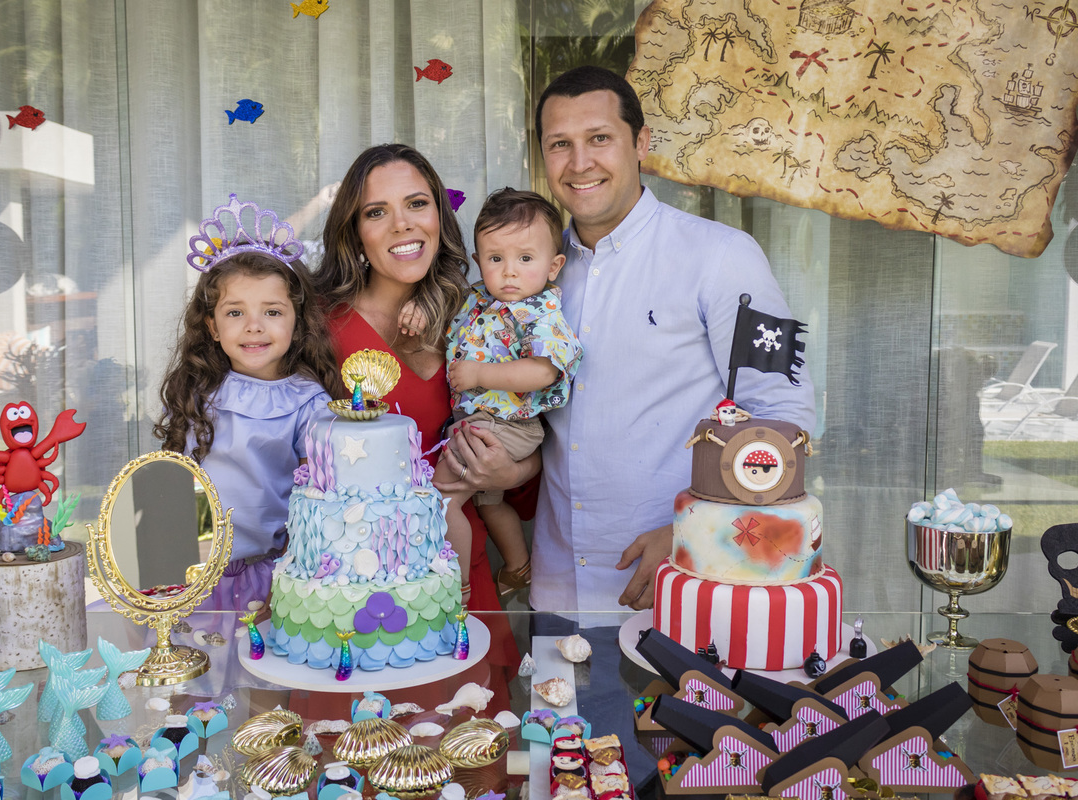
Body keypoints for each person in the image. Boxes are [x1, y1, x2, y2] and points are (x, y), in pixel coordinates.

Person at [530, 65, 817, 614]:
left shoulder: (723, 256)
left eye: (599, 139)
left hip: (686, 587)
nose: (579, 163)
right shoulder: (533, 274)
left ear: (641, 143)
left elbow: (785, 416)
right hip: (557, 589)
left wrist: (693, 531)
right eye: (559, 144)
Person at [313, 144, 533, 647]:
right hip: (357, 593)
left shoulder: (482, 317)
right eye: (376, 212)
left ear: (439, 214)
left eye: (416, 204)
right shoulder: (318, 328)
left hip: (461, 577)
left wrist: (513, 473)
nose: (402, 225)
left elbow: (528, 432)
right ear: (353, 232)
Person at [155, 201, 345, 611]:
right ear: (212, 326)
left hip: (275, 576)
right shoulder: (197, 390)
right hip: (192, 577)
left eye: (272, 312)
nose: (253, 326)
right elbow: (172, 487)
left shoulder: (309, 402)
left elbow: (324, 499)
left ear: (297, 323)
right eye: (235, 312)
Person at [435, 188, 582, 596]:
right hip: (487, 422)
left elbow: (543, 371)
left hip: (508, 424)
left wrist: (481, 372)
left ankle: (455, 589)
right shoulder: (478, 299)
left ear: (553, 266)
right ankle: (519, 567)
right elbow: (443, 319)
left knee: (441, 498)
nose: (510, 272)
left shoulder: (539, 312)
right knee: (488, 502)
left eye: (525, 258)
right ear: (480, 261)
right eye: (496, 259)